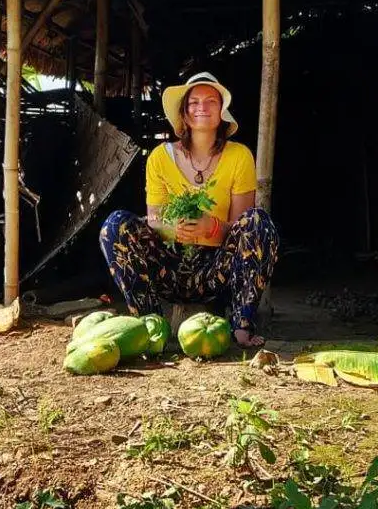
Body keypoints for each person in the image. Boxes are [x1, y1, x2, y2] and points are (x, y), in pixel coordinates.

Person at [99, 72, 278, 347]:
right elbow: (155, 219)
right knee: (115, 226)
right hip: (169, 267)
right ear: (184, 113)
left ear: (222, 112)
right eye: (193, 102)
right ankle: (149, 325)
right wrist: (173, 228)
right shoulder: (159, 157)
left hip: (217, 271)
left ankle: (242, 325)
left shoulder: (239, 156)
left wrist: (213, 227)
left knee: (259, 221)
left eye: (210, 101)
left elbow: (241, 225)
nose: (202, 108)